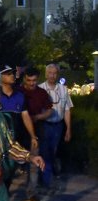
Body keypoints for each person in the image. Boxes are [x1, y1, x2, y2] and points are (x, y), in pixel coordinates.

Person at [0, 66, 38, 191]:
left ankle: (5, 195)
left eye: (12, 73)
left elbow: (25, 116)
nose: (12, 75)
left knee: (10, 168)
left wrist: (32, 136)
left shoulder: (20, 96)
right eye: (8, 73)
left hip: (15, 139)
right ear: (0, 76)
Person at [20, 67, 53, 201]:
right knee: (12, 164)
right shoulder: (19, 92)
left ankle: (32, 192)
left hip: (36, 132)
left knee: (34, 164)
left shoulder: (42, 93)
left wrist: (39, 116)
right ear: (24, 79)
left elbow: (50, 111)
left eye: (34, 80)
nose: (32, 83)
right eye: (29, 80)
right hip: (19, 132)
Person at [39, 64, 73, 192]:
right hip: (45, 125)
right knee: (45, 153)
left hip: (58, 126)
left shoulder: (63, 89)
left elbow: (67, 110)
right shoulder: (40, 88)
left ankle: (46, 178)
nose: (52, 75)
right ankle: (47, 181)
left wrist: (68, 128)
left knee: (52, 152)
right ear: (46, 74)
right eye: (50, 73)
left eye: (55, 73)